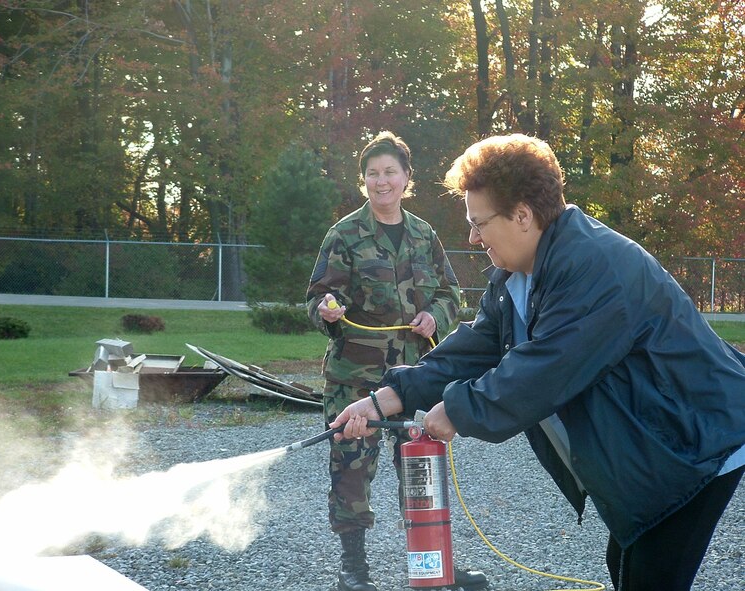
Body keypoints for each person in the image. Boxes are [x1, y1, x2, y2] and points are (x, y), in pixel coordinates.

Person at [332, 134, 745, 591]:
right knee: (628, 560)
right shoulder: (515, 275)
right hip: (660, 443)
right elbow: (477, 345)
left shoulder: (596, 265)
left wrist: (456, 410)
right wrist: (386, 398)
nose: (473, 237)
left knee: (649, 569)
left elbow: (544, 370)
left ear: (523, 216)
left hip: (698, 441)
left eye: (479, 223)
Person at [306, 131, 489, 591]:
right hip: (355, 379)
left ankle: (432, 562)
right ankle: (354, 569)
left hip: (413, 378)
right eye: (372, 173)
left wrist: (436, 316)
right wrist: (328, 310)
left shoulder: (424, 235)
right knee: (351, 469)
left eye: (390, 172)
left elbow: (451, 293)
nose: (381, 181)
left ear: (407, 178)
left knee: (420, 470)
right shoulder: (344, 235)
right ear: (363, 179)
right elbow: (316, 299)